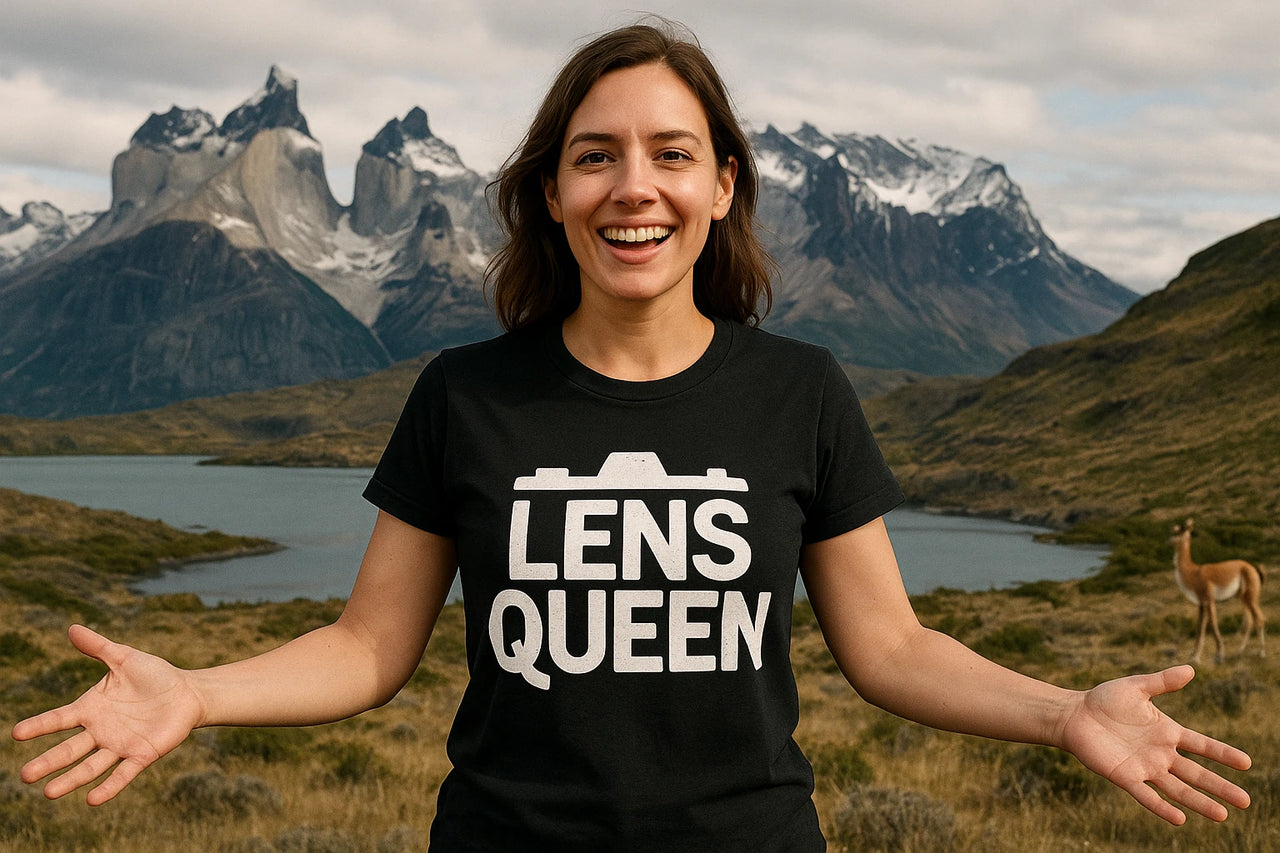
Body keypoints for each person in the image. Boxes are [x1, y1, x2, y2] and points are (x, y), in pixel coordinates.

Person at [12, 19, 1251, 852]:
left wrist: (1059, 711)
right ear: (551, 194)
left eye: (671, 154)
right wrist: (198, 693)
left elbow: (889, 646)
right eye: (594, 157)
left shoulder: (800, 390)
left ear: (721, 185)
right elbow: (367, 647)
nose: (632, 187)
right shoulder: (465, 391)